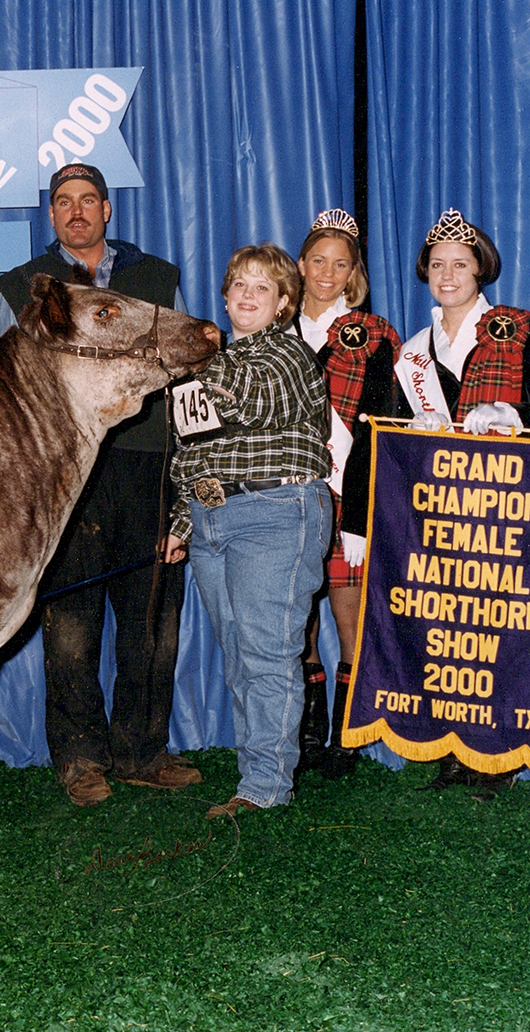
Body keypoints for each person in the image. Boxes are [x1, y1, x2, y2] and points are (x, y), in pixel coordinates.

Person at [0, 163, 198, 807]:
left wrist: (183, 487)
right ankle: (81, 759)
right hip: (67, 471)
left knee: (153, 619)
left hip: (145, 459)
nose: (76, 211)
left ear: (107, 210)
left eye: (87, 200)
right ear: (51, 215)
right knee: (71, 623)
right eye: (63, 202)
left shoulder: (155, 278)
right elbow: (12, 384)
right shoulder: (28, 287)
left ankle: (142, 751)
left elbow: (186, 368)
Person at [394, 207, 530, 800]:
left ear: (481, 271)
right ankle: (453, 745)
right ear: (425, 273)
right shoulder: (414, 350)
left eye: (460, 265)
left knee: (496, 627)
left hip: (507, 508)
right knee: (448, 626)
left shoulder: (523, 329)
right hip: (441, 506)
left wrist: (512, 416)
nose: (447, 276)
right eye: (437, 266)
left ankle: (496, 754)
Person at [161, 244, 332, 819]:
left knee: (265, 654)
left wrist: (195, 362)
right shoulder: (208, 367)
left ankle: (264, 787)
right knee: (240, 655)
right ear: (226, 296)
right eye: (239, 284)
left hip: (277, 512)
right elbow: (191, 453)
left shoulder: (289, 355)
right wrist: (183, 525)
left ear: (284, 303)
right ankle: (257, 772)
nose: (247, 295)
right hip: (213, 521)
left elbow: (254, 403)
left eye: (262, 287)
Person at [288, 210, 400, 780]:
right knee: (296, 619)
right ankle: (307, 734)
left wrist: (357, 514)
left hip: (345, 496)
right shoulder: (271, 328)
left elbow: (384, 426)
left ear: (354, 272)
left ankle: (347, 739)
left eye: (341, 263)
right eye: (318, 260)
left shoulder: (374, 333)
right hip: (286, 498)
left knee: (349, 616)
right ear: (300, 264)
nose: (327, 273)